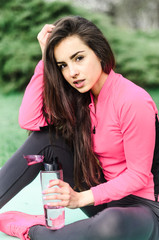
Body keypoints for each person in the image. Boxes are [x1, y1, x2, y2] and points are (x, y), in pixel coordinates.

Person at [0, 15, 159, 240]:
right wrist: (45, 60)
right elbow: (30, 121)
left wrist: (80, 198)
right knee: (46, 139)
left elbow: (138, 176)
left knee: (111, 225)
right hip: (104, 198)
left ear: (99, 52)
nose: (72, 72)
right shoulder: (81, 99)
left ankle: (32, 229)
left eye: (79, 58)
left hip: (145, 209)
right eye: (63, 65)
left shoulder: (133, 100)